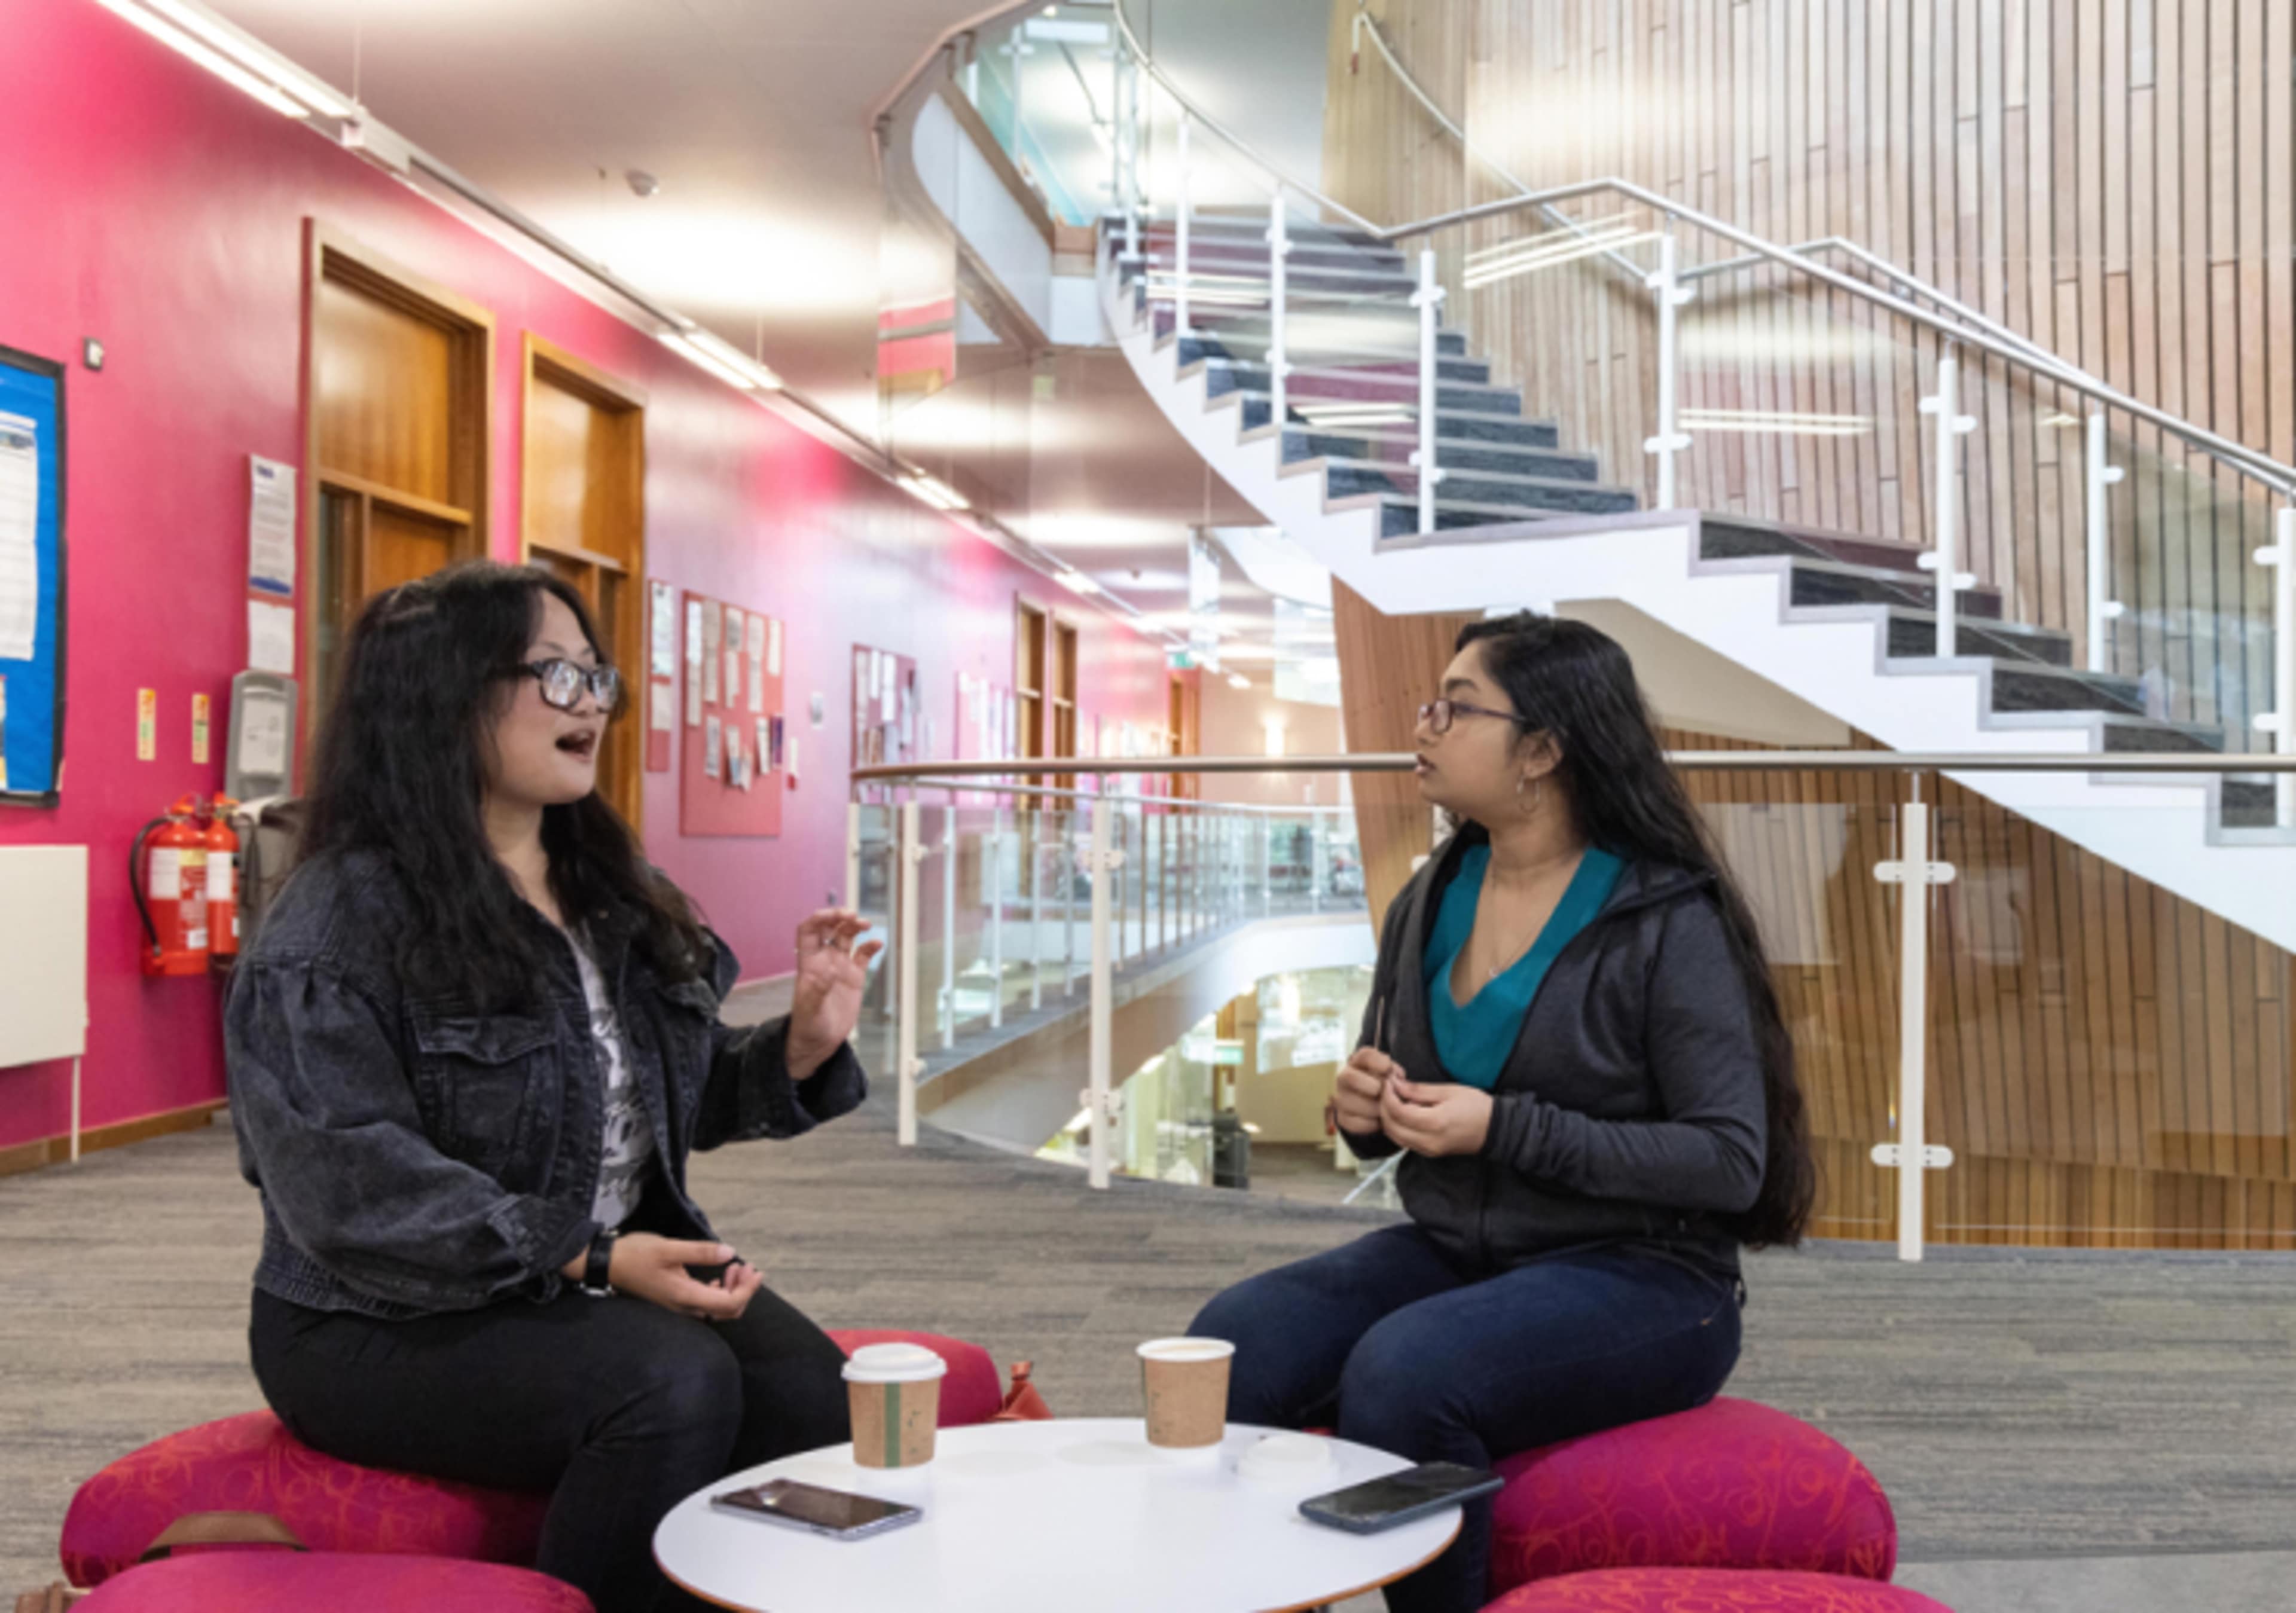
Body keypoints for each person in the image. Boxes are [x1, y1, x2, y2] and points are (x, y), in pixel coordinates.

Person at [225, 562, 881, 1613]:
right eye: (556, 676)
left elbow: (655, 1100)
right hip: (374, 1317)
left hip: (580, 1275)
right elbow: (348, 1187)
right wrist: (595, 1256)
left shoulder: (615, 892)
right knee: (672, 1384)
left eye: (596, 676)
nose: (594, 705)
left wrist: (802, 1043)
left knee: (809, 1390)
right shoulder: (334, 926)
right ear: (445, 693)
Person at [1189, 612, 1815, 1613]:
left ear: (1543, 749)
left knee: (1409, 1370)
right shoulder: (1430, 895)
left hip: (1650, 1276)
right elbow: (1387, 1090)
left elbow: (1729, 1161)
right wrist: (1359, 1110)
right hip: (1463, 1247)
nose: (1424, 726)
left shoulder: (1663, 916)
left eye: (1455, 705)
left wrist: (1504, 1127)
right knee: (1233, 1343)